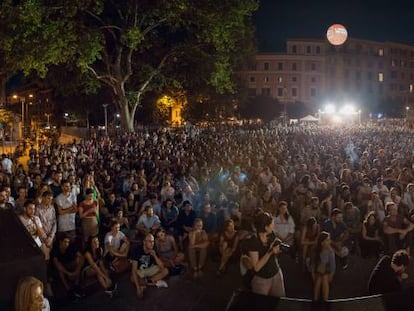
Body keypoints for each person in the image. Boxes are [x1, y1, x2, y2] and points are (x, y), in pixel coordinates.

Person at [247, 211, 285, 297]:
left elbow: (274, 249)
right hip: (262, 279)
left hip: (276, 273)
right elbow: (256, 267)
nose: (274, 225)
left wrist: (277, 249)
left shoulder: (271, 234)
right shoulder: (253, 241)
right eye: (272, 224)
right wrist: (270, 251)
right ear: (266, 227)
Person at [130, 233, 169, 299]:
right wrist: (138, 288)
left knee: (166, 271)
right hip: (140, 271)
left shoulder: (154, 249)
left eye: (153, 241)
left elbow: (162, 266)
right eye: (150, 241)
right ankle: (154, 283)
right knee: (132, 278)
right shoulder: (137, 250)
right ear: (144, 242)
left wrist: (155, 256)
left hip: (150, 269)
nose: (152, 243)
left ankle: (146, 283)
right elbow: (134, 270)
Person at [51, 234, 85, 299]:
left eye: (68, 242)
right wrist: (69, 273)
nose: (67, 244)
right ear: (60, 242)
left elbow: (81, 257)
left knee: (78, 259)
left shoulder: (71, 246)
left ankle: (76, 285)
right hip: (62, 268)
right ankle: (68, 289)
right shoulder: (55, 250)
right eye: (65, 242)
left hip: (70, 264)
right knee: (60, 268)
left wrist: (77, 270)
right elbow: (56, 264)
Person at [312, 231, 335, 302]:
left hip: (326, 271)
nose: (329, 241)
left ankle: (325, 300)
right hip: (318, 270)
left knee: (324, 278)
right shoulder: (315, 250)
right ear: (322, 243)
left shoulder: (330, 251)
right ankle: (315, 300)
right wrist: (312, 274)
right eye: (327, 240)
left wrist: (331, 275)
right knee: (319, 279)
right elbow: (312, 265)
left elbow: (333, 266)